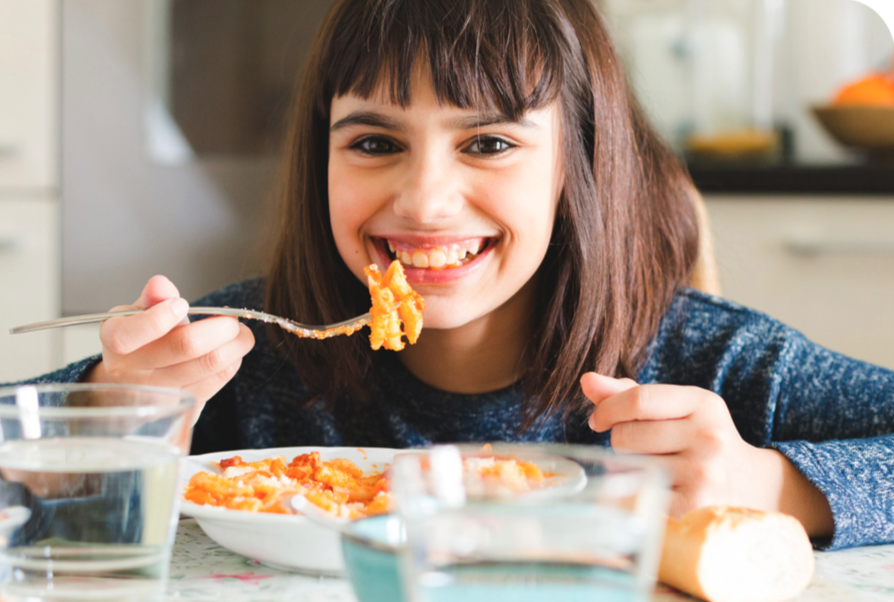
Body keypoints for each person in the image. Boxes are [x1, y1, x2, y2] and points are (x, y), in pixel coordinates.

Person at [11, 0, 893, 551]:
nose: (426, 202)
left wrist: (771, 489)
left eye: (490, 142)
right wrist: (109, 417)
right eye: (373, 142)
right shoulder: (248, 357)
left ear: (575, 167)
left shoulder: (708, 360)